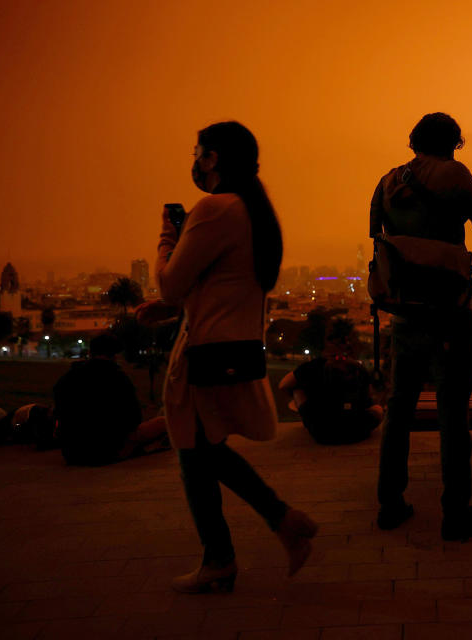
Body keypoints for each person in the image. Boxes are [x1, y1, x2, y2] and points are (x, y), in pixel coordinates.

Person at [146, 121, 316, 593]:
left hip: (205, 352)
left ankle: (229, 554)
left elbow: (171, 283)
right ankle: (276, 526)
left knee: (194, 451)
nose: (194, 161)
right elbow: (219, 285)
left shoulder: (215, 209)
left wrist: (166, 239)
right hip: (234, 347)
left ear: (213, 158)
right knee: (202, 452)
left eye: (197, 152)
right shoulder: (253, 211)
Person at [370, 112, 472, 541]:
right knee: (452, 414)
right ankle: (456, 511)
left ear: (413, 141)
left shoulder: (387, 181)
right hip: (448, 309)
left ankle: (390, 504)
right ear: (455, 142)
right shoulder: (454, 174)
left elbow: (378, 237)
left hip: (405, 310)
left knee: (398, 408)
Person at [53, 333, 168, 465]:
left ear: (90, 352)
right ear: (115, 355)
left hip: (72, 453)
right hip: (107, 451)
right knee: (164, 422)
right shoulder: (117, 378)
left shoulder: (67, 378)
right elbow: (133, 418)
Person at [278, 346, 383, 445]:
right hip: (357, 431)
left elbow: (284, 385)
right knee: (377, 409)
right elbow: (370, 396)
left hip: (322, 432)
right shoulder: (359, 368)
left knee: (297, 389)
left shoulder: (312, 367)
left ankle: (311, 416)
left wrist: (305, 402)